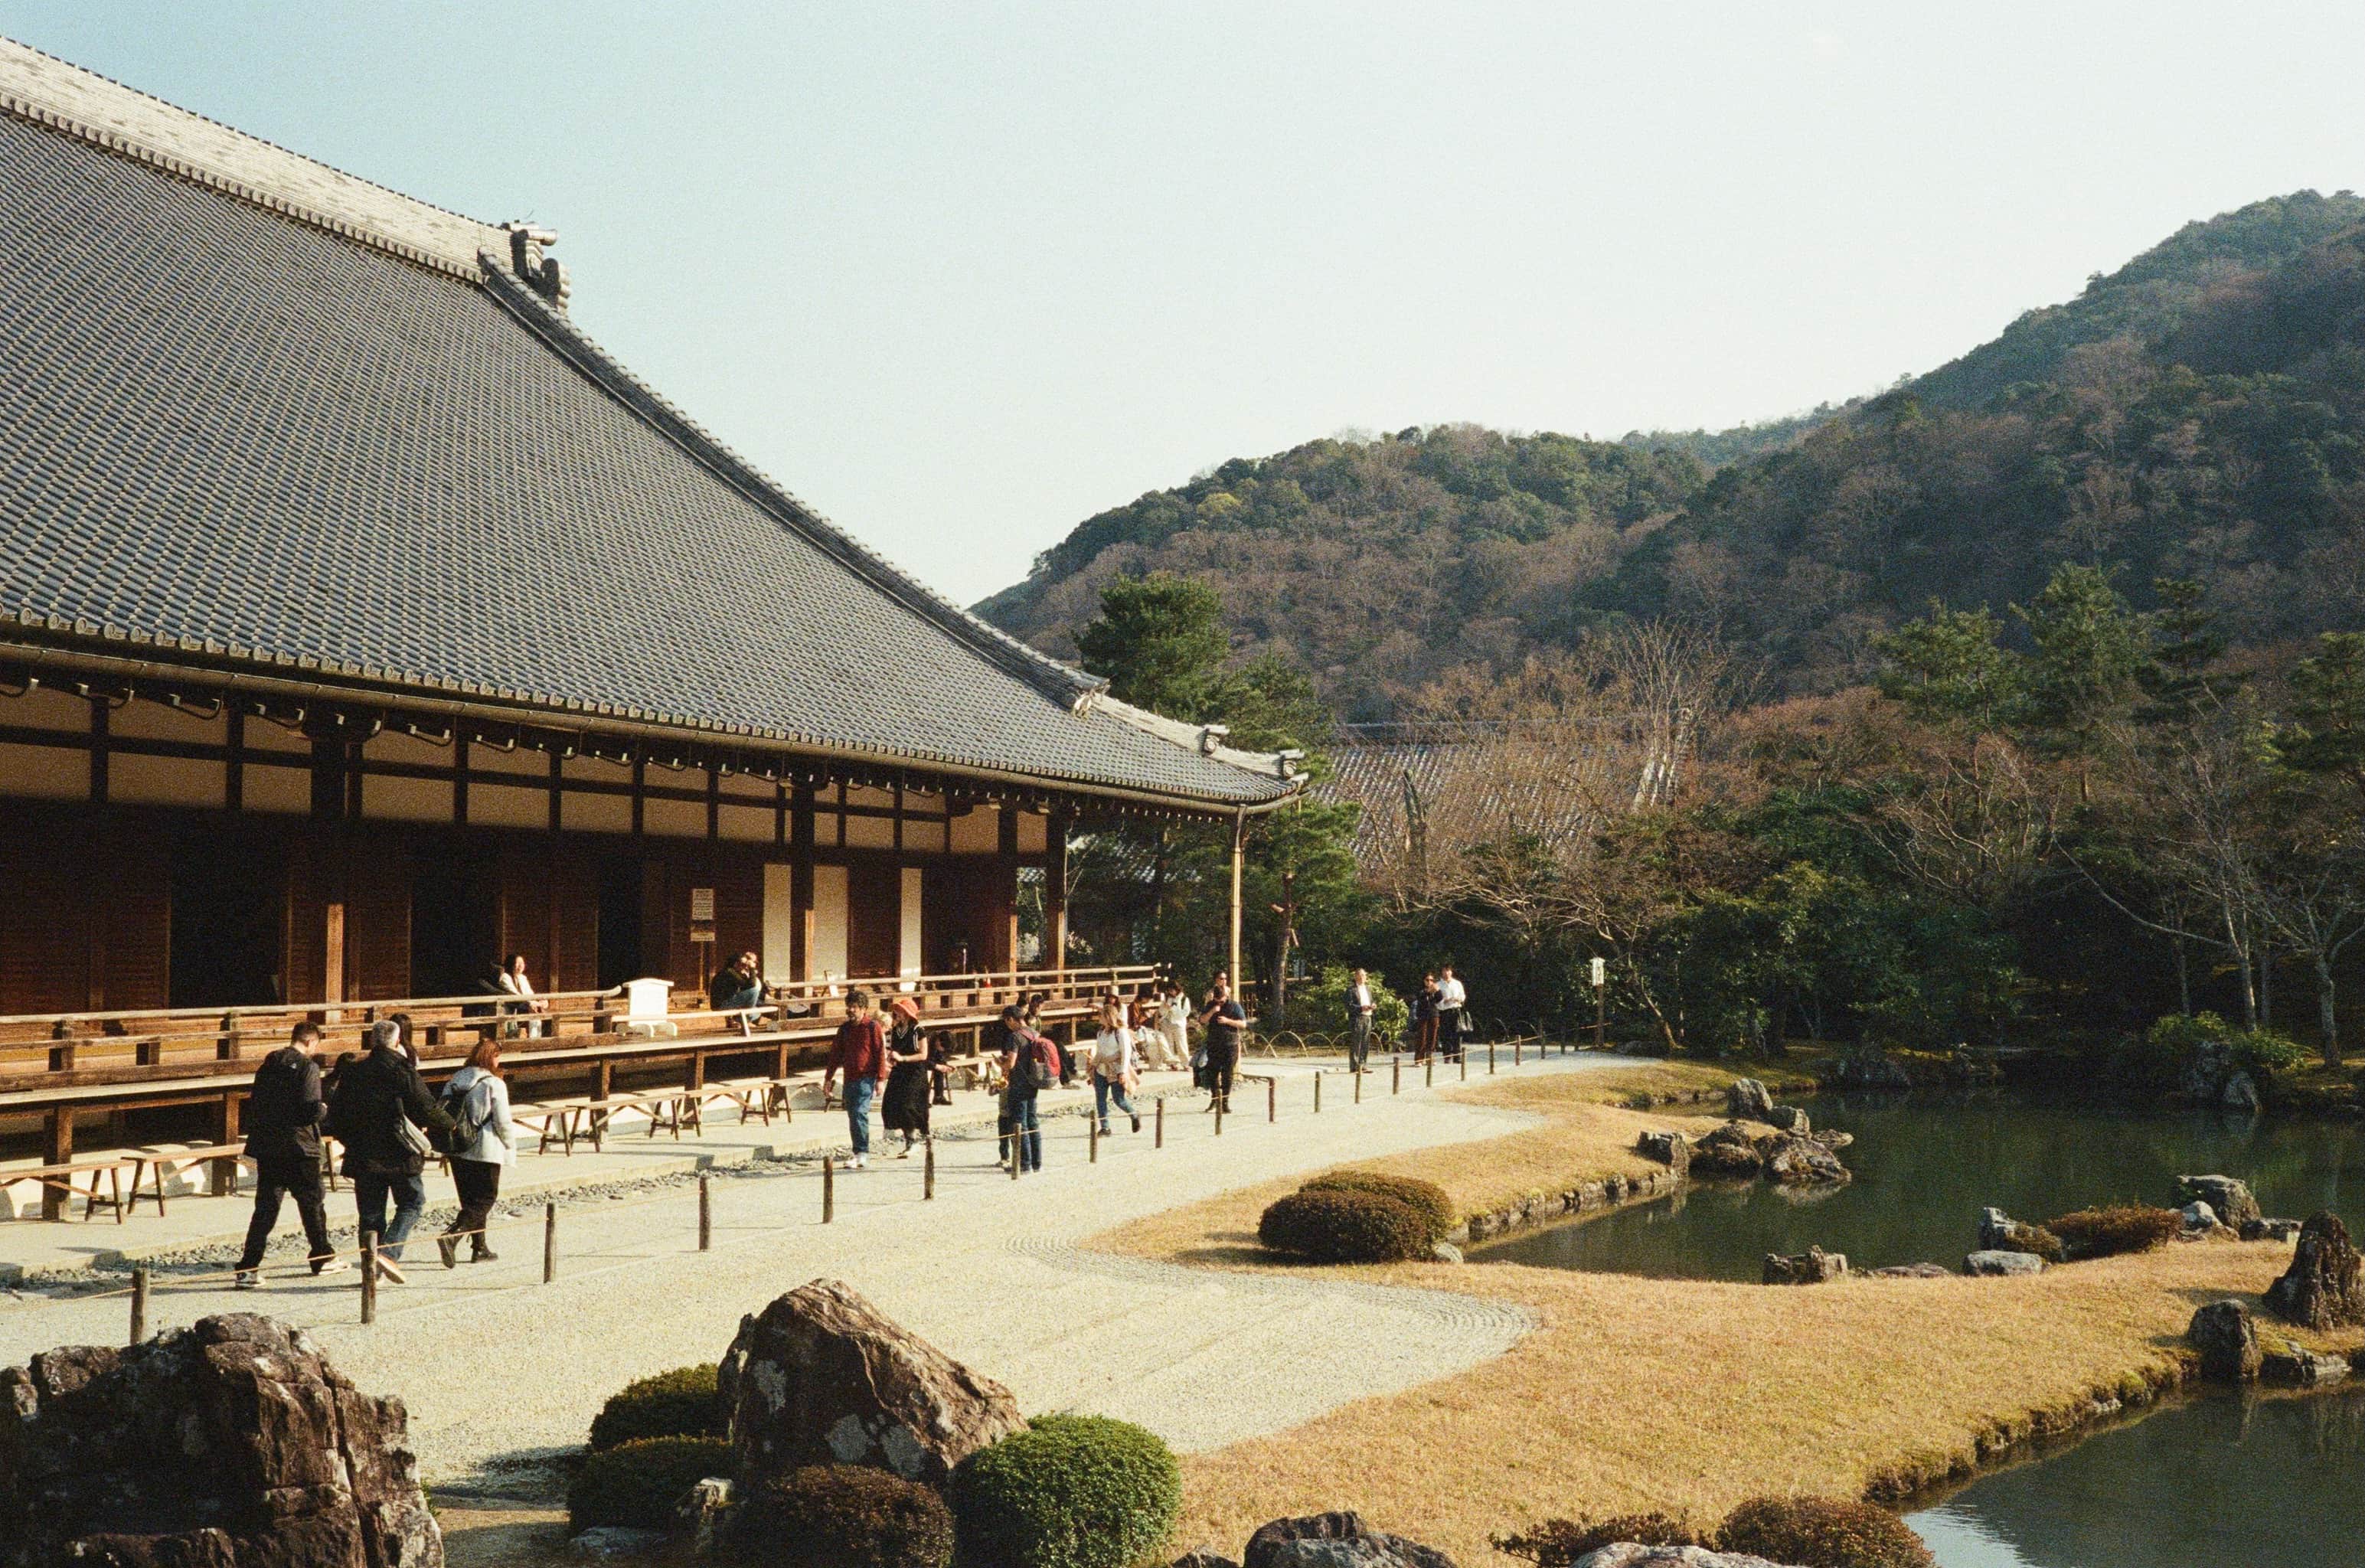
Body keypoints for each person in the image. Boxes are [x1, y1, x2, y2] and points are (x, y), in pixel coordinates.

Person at [327, 1018, 455, 1284]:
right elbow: (425, 1107)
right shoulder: (402, 1069)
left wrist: (349, 1141)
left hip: (363, 1153)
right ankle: (389, 1252)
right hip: (400, 1152)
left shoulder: (354, 1072)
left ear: (373, 1041)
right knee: (412, 1202)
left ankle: (370, 1271)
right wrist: (452, 1124)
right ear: (396, 1041)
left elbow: (336, 1115)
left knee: (371, 1214)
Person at [233, 1022, 345, 1288]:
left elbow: (257, 1103)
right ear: (310, 1042)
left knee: (266, 1208)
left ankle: (248, 1267)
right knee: (312, 1203)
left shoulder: (268, 1065)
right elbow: (309, 1109)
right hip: (299, 1146)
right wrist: (323, 1110)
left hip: (269, 1144)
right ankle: (322, 1256)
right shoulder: (308, 1068)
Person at [436, 1039, 514, 1267]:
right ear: (490, 1057)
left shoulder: (455, 1080)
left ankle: (479, 1247)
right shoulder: (494, 1083)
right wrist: (509, 1145)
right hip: (485, 1146)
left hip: (458, 1145)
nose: (499, 1061)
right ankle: (453, 1235)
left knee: (469, 1199)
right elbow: (502, 1120)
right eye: (497, 1056)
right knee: (486, 1198)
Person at [821, 988, 887, 1169]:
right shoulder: (844, 1030)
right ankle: (858, 1150)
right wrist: (828, 1078)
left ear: (863, 1009)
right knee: (853, 1115)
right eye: (848, 1007)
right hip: (849, 1077)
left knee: (859, 1113)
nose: (851, 1010)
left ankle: (861, 1152)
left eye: (855, 1007)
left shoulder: (872, 1027)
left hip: (866, 1078)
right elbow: (835, 1055)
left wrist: (881, 1079)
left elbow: (880, 1054)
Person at [996, 1004, 1046, 1173]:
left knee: (1019, 1123)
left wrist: (1000, 1062)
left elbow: (1011, 1063)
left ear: (1010, 1019)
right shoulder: (1034, 1033)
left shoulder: (1015, 1037)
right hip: (1034, 1081)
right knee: (1032, 1120)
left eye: (1006, 1021)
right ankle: (1037, 1163)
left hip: (1019, 1083)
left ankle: (1024, 1164)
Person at [881, 997, 932, 1156]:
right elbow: (894, 1050)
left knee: (907, 1105)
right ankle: (908, 1138)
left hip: (915, 1072)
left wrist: (903, 1058)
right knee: (892, 1101)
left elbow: (923, 1055)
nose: (897, 1013)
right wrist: (891, 1059)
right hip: (900, 1070)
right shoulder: (895, 1031)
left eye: (900, 1011)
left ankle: (914, 1140)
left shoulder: (918, 1030)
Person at [1090, 998, 1142, 1136]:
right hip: (1101, 1068)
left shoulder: (1120, 1033)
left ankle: (1134, 1114)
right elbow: (1100, 1051)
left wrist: (1123, 1072)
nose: (1099, 1017)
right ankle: (1105, 1127)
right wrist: (1092, 1068)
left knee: (1118, 1099)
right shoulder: (1101, 1032)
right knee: (1100, 1099)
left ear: (1108, 1016)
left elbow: (1126, 1053)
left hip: (1116, 1068)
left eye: (1101, 1015)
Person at [1197, 982, 1246, 1112]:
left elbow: (1243, 1024)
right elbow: (1202, 1021)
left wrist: (1228, 1021)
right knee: (1212, 1073)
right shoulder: (1211, 1005)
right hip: (1214, 1044)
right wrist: (1213, 1010)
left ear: (1226, 997)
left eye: (1222, 1001)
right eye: (1217, 1001)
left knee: (1227, 1074)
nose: (1219, 1003)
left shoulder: (1234, 1006)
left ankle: (1225, 1102)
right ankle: (1215, 1100)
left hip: (1231, 1044)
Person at [708, 950, 769, 1034]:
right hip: (721, 1004)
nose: (744, 966)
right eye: (743, 964)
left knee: (757, 1013)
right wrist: (752, 968)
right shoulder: (729, 972)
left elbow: (746, 986)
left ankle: (740, 1019)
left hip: (727, 1001)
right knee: (754, 992)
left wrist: (748, 972)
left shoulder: (733, 972)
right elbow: (751, 986)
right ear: (736, 963)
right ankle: (741, 1020)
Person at [498, 952, 549, 1038]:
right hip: (515, 1006)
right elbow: (515, 995)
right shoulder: (505, 977)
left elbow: (530, 994)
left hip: (526, 1005)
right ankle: (534, 1042)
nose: (521, 966)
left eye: (522, 963)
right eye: (518, 963)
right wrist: (532, 1004)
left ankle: (540, 1041)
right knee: (533, 1012)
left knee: (542, 1013)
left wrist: (540, 1001)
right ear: (511, 964)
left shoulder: (523, 978)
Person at [1347, 968, 1375, 1073]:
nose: (1364, 977)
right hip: (1358, 1018)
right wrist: (1360, 1008)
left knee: (1365, 1042)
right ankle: (1354, 1066)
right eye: (1362, 975)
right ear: (1356, 977)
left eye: (1364, 975)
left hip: (1368, 1016)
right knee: (1356, 1042)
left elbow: (1371, 1000)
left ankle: (1363, 1065)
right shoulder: (1351, 990)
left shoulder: (1367, 989)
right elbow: (1348, 1005)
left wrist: (1373, 1005)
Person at [1438, 965, 1467, 1060]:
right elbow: (1437, 1001)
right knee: (1445, 1034)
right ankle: (1447, 1056)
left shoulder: (1457, 983)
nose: (1446, 973)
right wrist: (1444, 1001)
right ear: (1442, 972)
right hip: (1444, 1011)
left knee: (1457, 1034)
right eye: (1444, 971)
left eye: (1448, 971)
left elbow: (1463, 996)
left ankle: (1457, 1056)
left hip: (1456, 1010)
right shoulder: (1438, 985)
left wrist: (1458, 999)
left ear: (1451, 972)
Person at [1161, 980, 1191, 1071]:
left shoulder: (1184, 999)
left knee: (1181, 1045)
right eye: (1169, 991)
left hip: (1179, 1024)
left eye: (1172, 990)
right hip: (1168, 1023)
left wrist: (1172, 1009)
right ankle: (1172, 1064)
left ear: (1177, 989)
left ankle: (1186, 1064)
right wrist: (1165, 1008)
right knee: (1169, 1044)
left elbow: (1185, 1013)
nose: (1170, 992)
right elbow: (1162, 1012)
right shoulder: (1168, 999)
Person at [1413, 974, 1439, 1063]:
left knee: (1432, 1037)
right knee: (1422, 1037)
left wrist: (1438, 991)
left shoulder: (1434, 990)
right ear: (1424, 981)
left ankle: (1430, 1057)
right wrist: (1429, 991)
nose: (1429, 982)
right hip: (1422, 1015)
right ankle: (1419, 1059)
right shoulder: (1421, 990)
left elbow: (1440, 998)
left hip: (1433, 1014)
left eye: (1432, 980)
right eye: (1427, 980)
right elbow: (1420, 998)